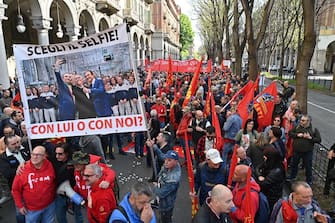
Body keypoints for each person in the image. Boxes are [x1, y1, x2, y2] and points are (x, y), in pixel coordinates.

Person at [11, 145, 56, 223]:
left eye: (38, 155)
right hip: (32, 209)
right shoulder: (23, 170)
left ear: (44, 156)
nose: (34, 157)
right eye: (33, 154)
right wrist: (20, 206)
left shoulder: (50, 165)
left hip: (49, 205)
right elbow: (15, 190)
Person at [288, 114, 321, 185]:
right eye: (301, 120)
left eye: (303, 120)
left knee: (308, 166)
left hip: (307, 152)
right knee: (294, 164)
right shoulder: (297, 126)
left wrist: (310, 138)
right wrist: (297, 135)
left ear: (308, 121)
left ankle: (309, 180)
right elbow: (290, 133)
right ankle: (292, 177)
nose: (301, 121)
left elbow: (318, 140)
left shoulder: (313, 129)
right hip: (296, 151)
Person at [152, 150, 181, 223]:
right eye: (166, 159)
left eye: (169, 160)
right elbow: (162, 156)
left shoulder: (173, 179)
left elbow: (161, 193)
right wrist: (154, 146)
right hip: (163, 199)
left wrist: (155, 187)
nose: (166, 162)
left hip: (166, 204)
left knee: (165, 218)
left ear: (176, 161)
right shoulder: (171, 165)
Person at [255, 147, 285, 211]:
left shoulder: (276, 171)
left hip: (272, 197)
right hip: (268, 193)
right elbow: (258, 168)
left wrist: (259, 178)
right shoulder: (271, 163)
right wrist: (259, 176)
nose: (264, 158)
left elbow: (264, 184)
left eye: (265, 156)